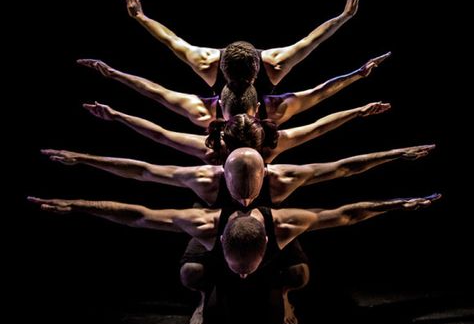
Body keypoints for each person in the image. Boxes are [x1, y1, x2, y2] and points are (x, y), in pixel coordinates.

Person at [28, 193, 441, 324]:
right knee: (190, 272)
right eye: (236, 268)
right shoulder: (206, 227)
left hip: (272, 260)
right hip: (212, 261)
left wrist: (401, 204)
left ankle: (284, 294)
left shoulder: (282, 225)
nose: (244, 276)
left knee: (300, 274)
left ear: (266, 246)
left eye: (251, 268)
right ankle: (203, 300)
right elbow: (138, 213)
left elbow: (349, 210)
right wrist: (75, 205)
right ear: (221, 244)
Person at [124, 0, 364, 93]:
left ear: (222, 63)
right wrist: (344, 16)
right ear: (258, 64)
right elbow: (313, 40)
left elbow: (170, 39)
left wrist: (140, 17)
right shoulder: (275, 63)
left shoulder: (207, 63)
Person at [41, 145, 435, 208]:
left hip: (269, 241)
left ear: (267, 172)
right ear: (221, 175)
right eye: (237, 188)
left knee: (296, 271)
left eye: (252, 188)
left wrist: (396, 156)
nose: (245, 200)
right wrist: (82, 160)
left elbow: (346, 168)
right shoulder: (203, 180)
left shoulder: (282, 179)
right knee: (192, 271)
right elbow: (141, 173)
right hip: (217, 246)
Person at [77, 52, 390, 128]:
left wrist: (114, 78)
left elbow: (155, 93)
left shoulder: (203, 111)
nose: (235, 123)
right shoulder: (275, 110)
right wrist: (358, 76)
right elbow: (321, 95)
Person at [82, 101, 391, 164]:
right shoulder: (212, 151)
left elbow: (160, 135)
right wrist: (357, 111)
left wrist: (118, 115)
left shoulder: (211, 147)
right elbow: (320, 126)